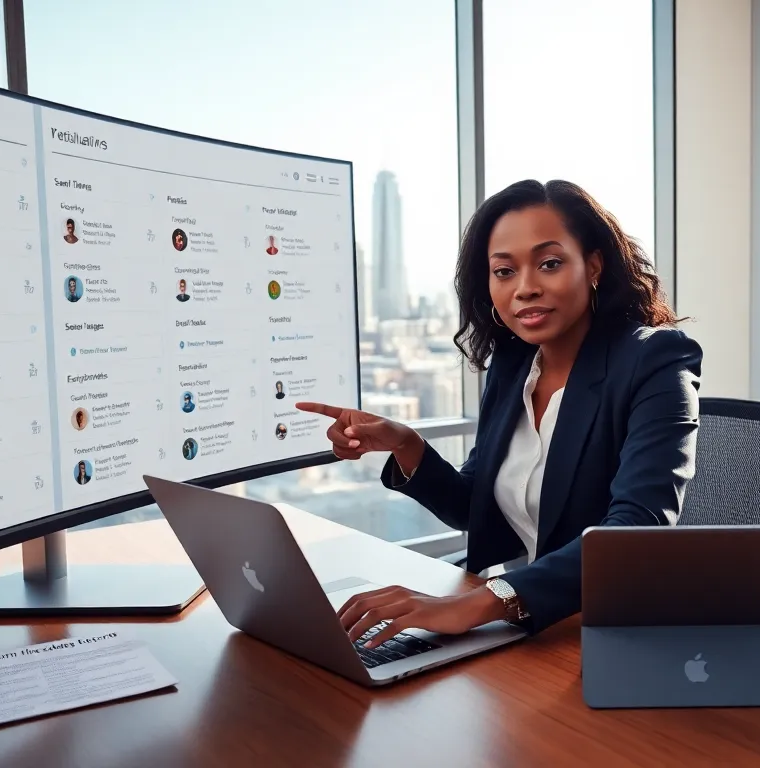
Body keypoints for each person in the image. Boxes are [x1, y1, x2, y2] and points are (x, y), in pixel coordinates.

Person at [296, 179, 700, 647]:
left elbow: (636, 530)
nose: (525, 288)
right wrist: (408, 446)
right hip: (525, 633)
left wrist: (481, 603)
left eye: (549, 264)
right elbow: (478, 508)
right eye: (504, 271)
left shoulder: (655, 359)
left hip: (617, 633)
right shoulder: (513, 365)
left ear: (592, 265)